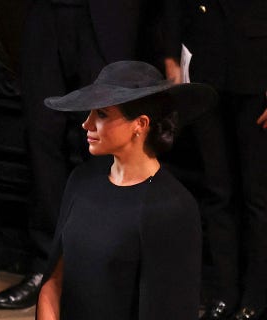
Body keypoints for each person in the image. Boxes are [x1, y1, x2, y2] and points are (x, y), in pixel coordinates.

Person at [0, 1, 183, 309]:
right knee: (41, 139)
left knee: (106, 139)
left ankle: (98, 268)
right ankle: (46, 269)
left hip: (112, 18)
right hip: (45, 17)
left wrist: (170, 50)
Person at [36, 61, 214, 320]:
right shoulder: (81, 180)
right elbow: (52, 283)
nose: (87, 124)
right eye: (89, 113)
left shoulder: (173, 208)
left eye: (102, 114)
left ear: (140, 124)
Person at [172, 1, 267, 319]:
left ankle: (257, 297)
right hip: (205, 67)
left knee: (258, 196)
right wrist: (171, 58)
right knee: (217, 190)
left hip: (257, 72)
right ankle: (225, 294)